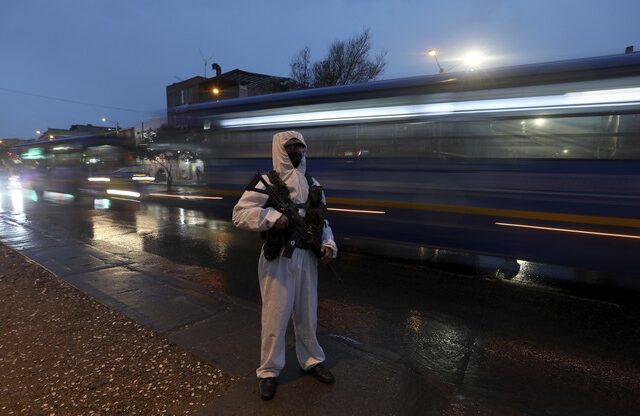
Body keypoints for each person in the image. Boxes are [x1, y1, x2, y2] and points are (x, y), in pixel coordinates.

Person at [232, 130, 337, 401]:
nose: (297, 152)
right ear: (280, 149)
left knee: (308, 314)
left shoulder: (313, 183)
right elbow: (239, 214)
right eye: (291, 147)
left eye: (300, 147)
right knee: (275, 316)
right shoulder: (268, 181)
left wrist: (328, 245)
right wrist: (272, 217)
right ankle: (268, 371)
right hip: (279, 258)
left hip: (307, 259)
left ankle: (312, 359)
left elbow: (322, 221)